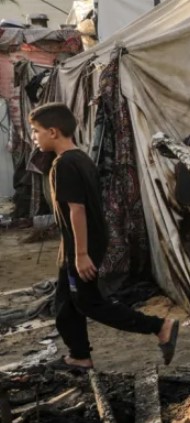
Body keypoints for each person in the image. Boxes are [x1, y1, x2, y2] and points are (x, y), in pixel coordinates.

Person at [29, 103, 181, 372]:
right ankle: (79, 356)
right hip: (78, 244)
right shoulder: (81, 158)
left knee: (89, 303)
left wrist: (82, 254)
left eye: (36, 131)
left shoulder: (65, 164)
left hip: (82, 245)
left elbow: (77, 210)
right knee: (66, 305)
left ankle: (160, 327)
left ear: (53, 131)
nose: (34, 137)